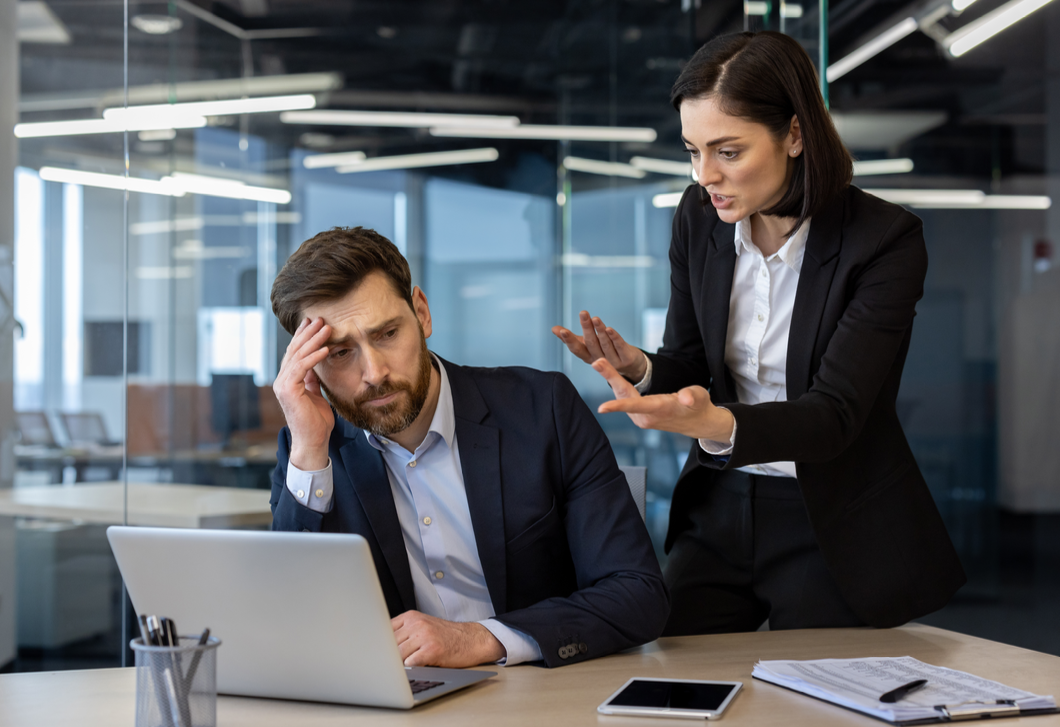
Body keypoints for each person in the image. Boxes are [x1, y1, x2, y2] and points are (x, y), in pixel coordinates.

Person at [553, 31, 966, 634]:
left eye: (728, 151)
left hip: (827, 517)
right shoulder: (699, 220)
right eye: (693, 151)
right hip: (718, 505)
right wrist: (644, 368)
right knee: (676, 682)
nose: (705, 176)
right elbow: (692, 363)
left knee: (814, 706)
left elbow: (836, 414)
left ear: (795, 134)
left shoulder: (883, 241)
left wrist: (717, 425)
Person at [268, 226, 668, 669]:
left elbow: (637, 593)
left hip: (543, 693)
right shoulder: (311, 446)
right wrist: (307, 452)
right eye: (340, 353)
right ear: (308, 365)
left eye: (386, 334)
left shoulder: (542, 410)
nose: (374, 373)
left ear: (421, 313)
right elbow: (288, 621)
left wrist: (480, 639)